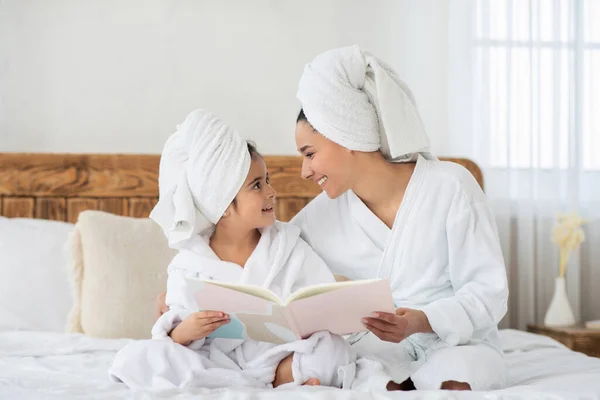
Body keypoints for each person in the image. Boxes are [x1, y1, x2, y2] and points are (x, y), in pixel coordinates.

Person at [290, 45, 509, 391]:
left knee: (459, 372)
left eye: (310, 154)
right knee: (352, 370)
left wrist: (424, 320)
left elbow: (488, 293)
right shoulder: (317, 218)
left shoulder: (450, 185)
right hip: (375, 354)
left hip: (456, 344)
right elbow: (260, 253)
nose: (304, 171)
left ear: (345, 136)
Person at [109, 109, 357, 390]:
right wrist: (185, 332)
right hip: (216, 362)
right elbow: (172, 330)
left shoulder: (287, 246)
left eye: (267, 181)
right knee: (137, 357)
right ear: (224, 205)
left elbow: (319, 297)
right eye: (257, 185)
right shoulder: (190, 262)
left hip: (276, 358)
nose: (271, 192)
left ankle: (275, 381)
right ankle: (275, 386)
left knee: (333, 350)